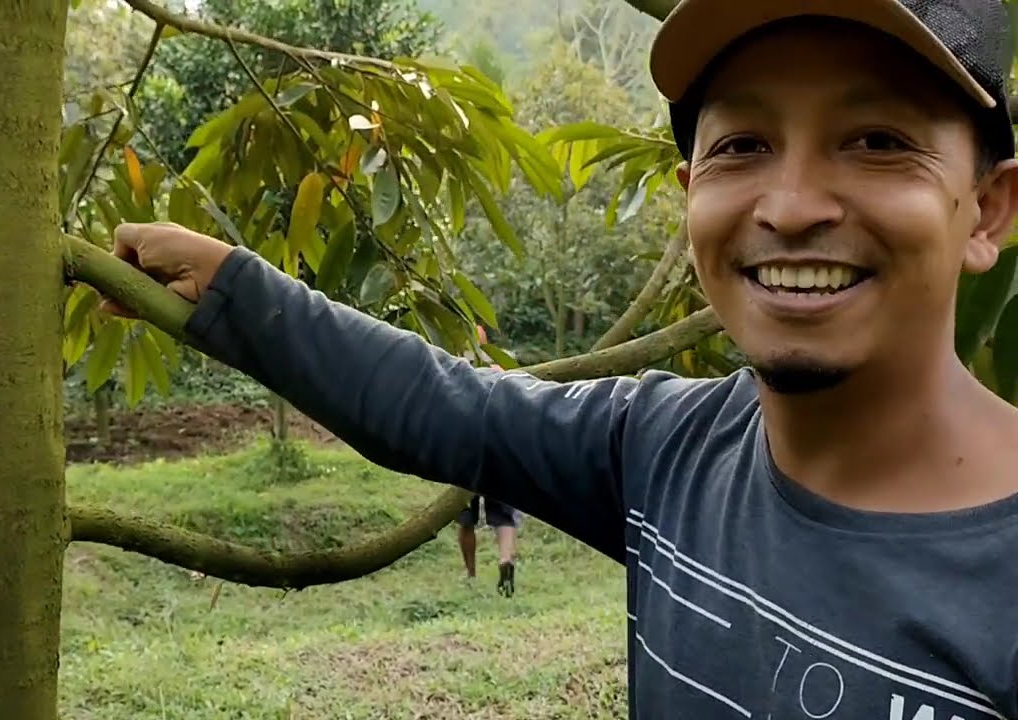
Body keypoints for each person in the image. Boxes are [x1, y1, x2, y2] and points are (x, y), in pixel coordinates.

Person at [98, 0, 1018, 715]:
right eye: (744, 145)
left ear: (988, 210)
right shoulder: (665, 448)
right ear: (690, 193)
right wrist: (235, 290)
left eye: (878, 143)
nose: (790, 206)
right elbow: (447, 407)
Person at [457, 325, 521, 596]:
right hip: (499, 446)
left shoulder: (456, 368)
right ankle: (505, 560)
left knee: (465, 517)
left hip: (465, 449)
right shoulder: (500, 367)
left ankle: (471, 575)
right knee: (504, 514)